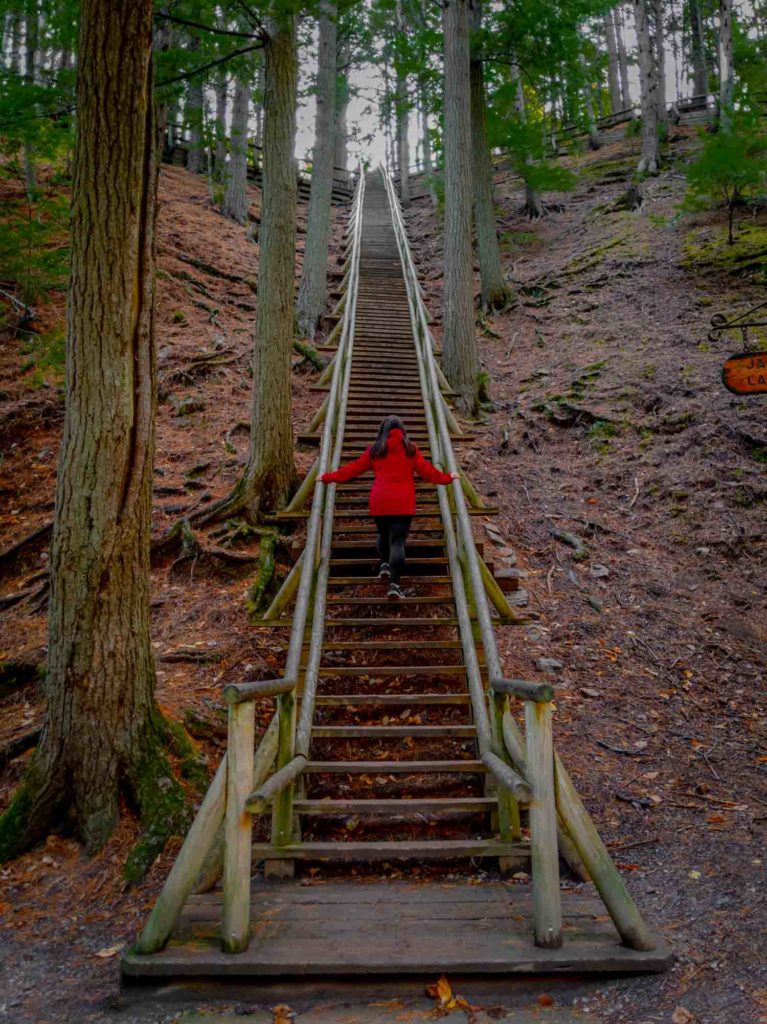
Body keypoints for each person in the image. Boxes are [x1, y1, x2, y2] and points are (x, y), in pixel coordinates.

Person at [319, 415, 459, 599]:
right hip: (403, 501)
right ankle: (394, 584)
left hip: (380, 500)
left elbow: (353, 469)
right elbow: (428, 471)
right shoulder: (410, 450)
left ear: (382, 431)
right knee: (398, 542)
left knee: (383, 534)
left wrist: (327, 477)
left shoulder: (376, 450)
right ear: (402, 431)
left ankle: (384, 564)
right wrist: (448, 477)